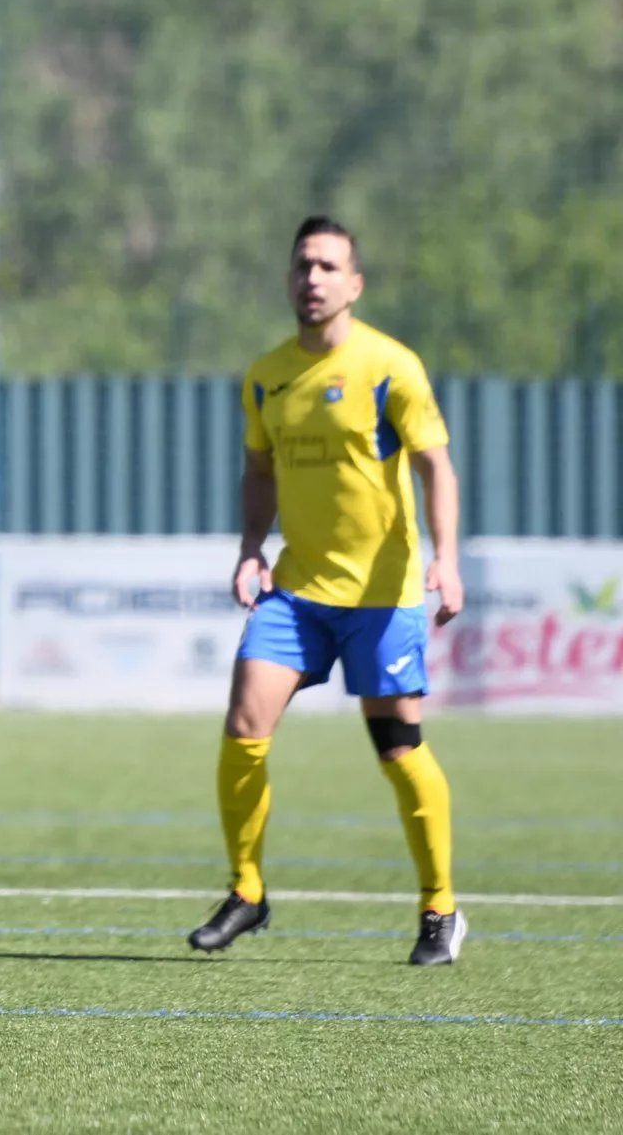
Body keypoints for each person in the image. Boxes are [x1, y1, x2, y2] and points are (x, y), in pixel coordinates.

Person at [191, 216, 466, 966]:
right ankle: (247, 891)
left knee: (397, 745)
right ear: (289, 280)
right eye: (301, 265)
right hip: (299, 589)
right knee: (244, 724)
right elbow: (259, 471)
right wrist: (251, 548)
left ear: (354, 283)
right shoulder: (266, 374)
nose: (312, 278)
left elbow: (435, 465)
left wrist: (446, 559)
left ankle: (440, 907)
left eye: (327, 266)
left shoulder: (391, 366)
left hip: (383, 593)